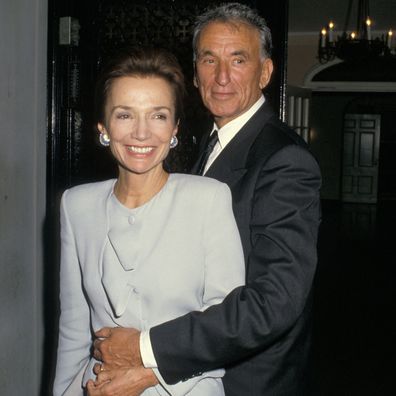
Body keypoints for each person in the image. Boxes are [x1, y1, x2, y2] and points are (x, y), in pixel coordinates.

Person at [92, 2, 322, 395]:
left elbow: (274, 302)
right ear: (195, 74)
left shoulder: (284, 159)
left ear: (265, 72)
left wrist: (147, 351)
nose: (221, 77)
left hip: (247, 382)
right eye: (208, 59)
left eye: (238, 60)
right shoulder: (207, 145)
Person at [53, 47, 246, 396]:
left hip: (187, 387)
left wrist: (148, 374)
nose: (141, 133)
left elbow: (226, 325)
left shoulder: (208, 199)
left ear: (174, 127)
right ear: (103, 126)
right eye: (124, 115)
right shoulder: (76, 205)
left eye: (157, 116)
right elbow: (73, 325)